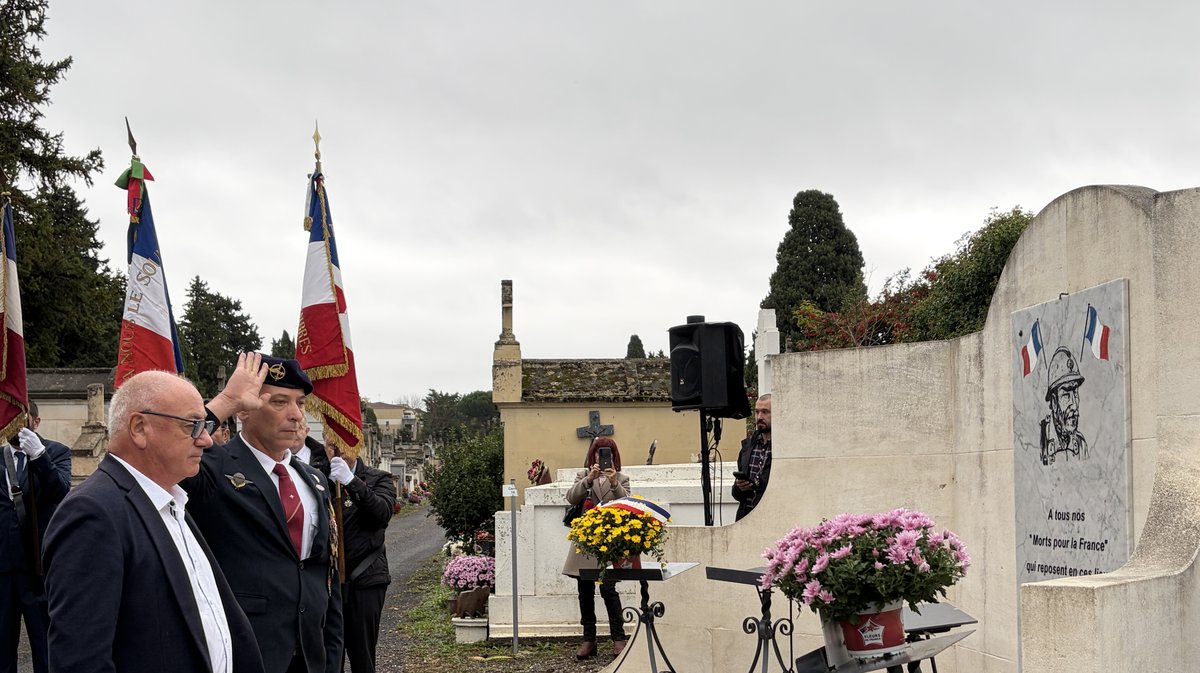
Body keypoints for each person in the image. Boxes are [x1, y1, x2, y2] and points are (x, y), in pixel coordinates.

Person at [42, 371, 263, 673]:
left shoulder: (170, 500)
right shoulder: (93, 513)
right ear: (139, 427)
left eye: (206, 425)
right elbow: (80, 662)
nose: (207, 439)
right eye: (192, 425)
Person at [185, 353, 342, 673]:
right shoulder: (213, 466)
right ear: (245, 410)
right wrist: (226, 400)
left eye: (299, 403)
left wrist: (333, 654)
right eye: (280, 402)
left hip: (310, 656)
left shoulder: (314, 479)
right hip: (245, 651)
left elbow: (325, 575)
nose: (296, 415)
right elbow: (171, 442)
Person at [1, 402, 71, 673]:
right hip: (4, 567)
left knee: (44, 645)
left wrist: (40, 458)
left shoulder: (56, 453)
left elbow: (61, 492)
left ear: (36, 422)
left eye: (21, 420)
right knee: (3, 646)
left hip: (37, 568)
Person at [318, 442, 395, 673]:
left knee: (363, 656)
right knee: (330, 656)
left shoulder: (378, 478)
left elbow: (381, 514)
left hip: (366, 578)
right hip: (327, 583)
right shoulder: (318, 479)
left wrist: (352, 483)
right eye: (332, 446)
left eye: (344, 445)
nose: (337, 451)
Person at [561, 437, 629, 660]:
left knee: (608, 588)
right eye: (599, 452)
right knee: (585, 590)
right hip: (586, 540)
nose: (603, 456)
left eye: (607, 453)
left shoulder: (621, 478)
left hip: (611, 540)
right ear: (593, 455)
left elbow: (628, 504)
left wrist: (614, 483)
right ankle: (589, 639)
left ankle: (618, 637)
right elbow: (571, 498)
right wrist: (589, 479)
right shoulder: (583, 476)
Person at [1040, 347, 1088, 465]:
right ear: (1054, 402)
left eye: (1075, 393)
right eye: (1066, 395)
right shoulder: (1040, 441)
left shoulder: (1081, 444)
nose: (1075, 404)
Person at [733, 394, 772, 521]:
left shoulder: (784, 449)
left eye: (765, 412)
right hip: (746, 518)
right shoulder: (748, 446)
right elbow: (736, 495)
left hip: (772, 517)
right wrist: (740, 487)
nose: (759, 417)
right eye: (757, 412)